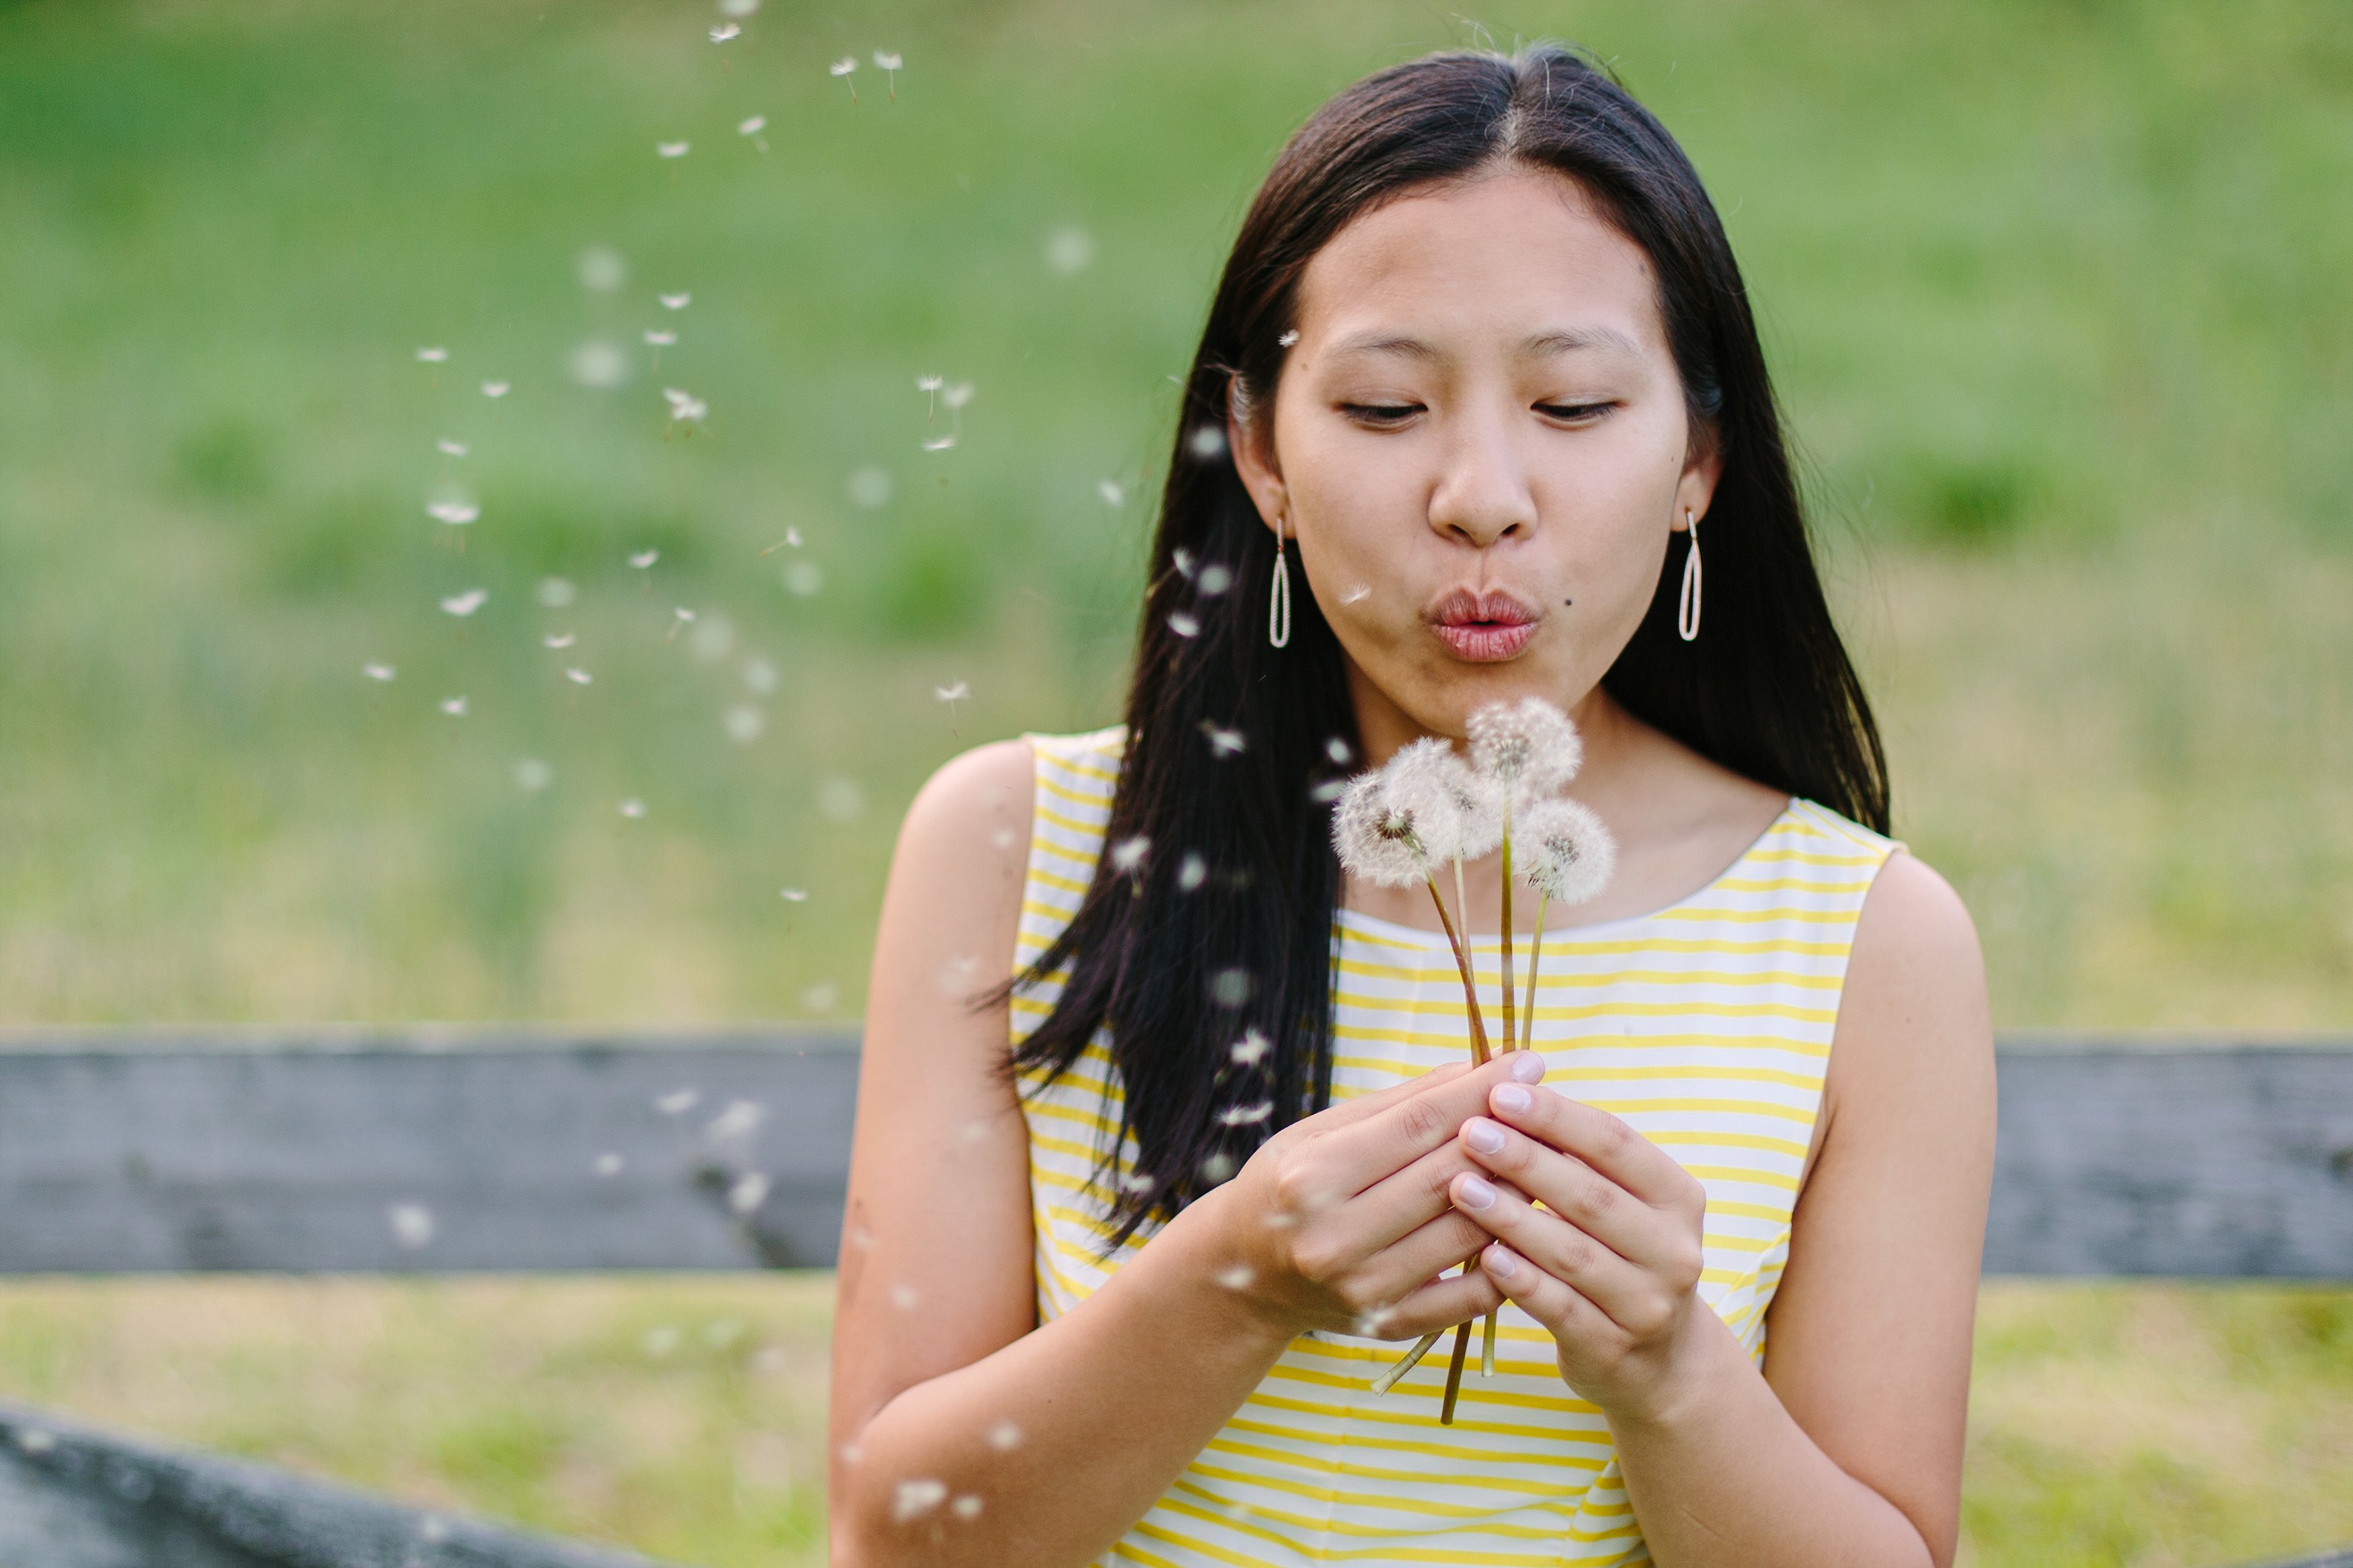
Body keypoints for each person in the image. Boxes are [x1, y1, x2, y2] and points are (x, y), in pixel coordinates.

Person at [828, 42, 1994, 1568]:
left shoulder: (1863, 946)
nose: (1482, 494)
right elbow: (889, 1540)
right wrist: (1234, 1282)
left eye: (1573, 405)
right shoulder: (1016, 848)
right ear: (1259, 454)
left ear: (1699, 458)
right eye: (1385, 408)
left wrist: (1664, 1370)